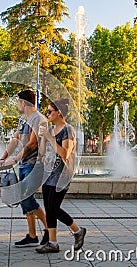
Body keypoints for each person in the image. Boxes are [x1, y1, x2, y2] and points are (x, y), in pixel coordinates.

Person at [0, 90, 48, 247]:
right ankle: (32, 235)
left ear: (24, 103)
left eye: (18, 101)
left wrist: (16, 158)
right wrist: (3, 157)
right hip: (24, 164)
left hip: (35, 164)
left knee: (26, 198)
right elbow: (15, 140)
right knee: (26, 198)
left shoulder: (39, 119)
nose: (17, 104)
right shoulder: (22, 120)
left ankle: (48, 230)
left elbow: (33, 143)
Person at [35, 98, 86, 253]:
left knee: (53, 208)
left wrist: (50, 138)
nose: (47, 114)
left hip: (62, 175)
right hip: (48, 174)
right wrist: (43, 136)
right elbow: (42, 152)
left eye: (50, 111)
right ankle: (53, 242)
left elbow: (65, 153)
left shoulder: (68, 130)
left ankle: (78, 231)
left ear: (58, 113)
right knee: (49, 209)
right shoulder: (50, 130)